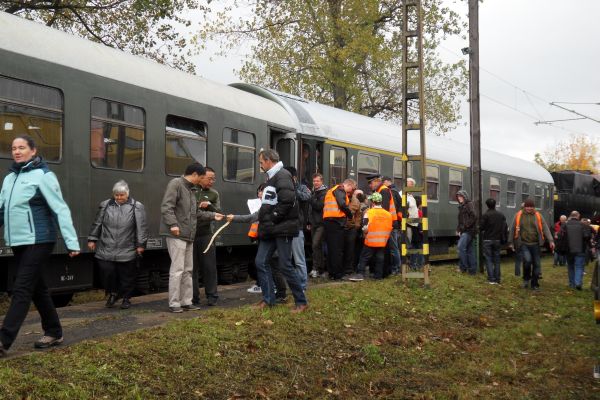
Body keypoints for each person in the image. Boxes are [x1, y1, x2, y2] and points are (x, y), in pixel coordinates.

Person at [0, 136, 80, 357]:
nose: (17, 151)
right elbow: (1, 210)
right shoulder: (9, 179)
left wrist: (71, 241)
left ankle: (3, 340)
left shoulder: (44, 175)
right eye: (13, 148)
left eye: (22, 148)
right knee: (37, 289)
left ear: (33, 151)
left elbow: (60, 209)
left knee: (22, 287)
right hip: (18, 241)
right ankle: (54, 331)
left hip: (40, 239)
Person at [160, 162, 224, 313]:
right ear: (194, 175)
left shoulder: (191, 189)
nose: (201, 181)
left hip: (189, 235)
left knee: (188, 269)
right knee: (177, 269)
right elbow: (166, 206)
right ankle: (174, 302)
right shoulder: (175, 184)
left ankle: (186, 301)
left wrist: (214, 215)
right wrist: (173, 224)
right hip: (176, 234)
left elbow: (196, 213)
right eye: (201, 177)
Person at [254, 149, 308, 313]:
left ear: (269, 160)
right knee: (261, 262)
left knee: (285, 265)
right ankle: (269, 299)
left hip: (282, 228)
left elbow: (287, 201)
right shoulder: (273, 175)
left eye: (262, 162)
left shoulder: (282, 175)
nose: (260, 165)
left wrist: (272, 218)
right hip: (272, 228)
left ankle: (301, 301)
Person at [88, 180, 148, 309]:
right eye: (117, 195)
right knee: (107, 272)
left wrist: (141, 244)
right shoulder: (105, 205)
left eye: (122, 195)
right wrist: (92, 239)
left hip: (127, 247)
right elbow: (97, 222)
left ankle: (126, 298)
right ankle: (113, 293)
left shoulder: (136, 206)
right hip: (106, 246)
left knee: (126, 275)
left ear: (127, 194)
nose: (119, 198)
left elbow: (141, 227)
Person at [509, 198, 554, 290]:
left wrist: (551, 240)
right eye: (527, 206)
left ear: (534, 207)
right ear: (524, 207)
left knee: (537, 264)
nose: (529, 208)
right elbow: (512, 228)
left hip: (536, 244)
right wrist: (511, 242)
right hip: (524, 243)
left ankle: (535, 284)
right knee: (528, 261)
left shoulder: (538, 215)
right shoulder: (518, 215)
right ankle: (526, 279)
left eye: (531, 206)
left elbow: (545, 227)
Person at [192, 166, 222, 307]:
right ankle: (193, 297)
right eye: (209, 178)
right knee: (192, 268)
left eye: (213, 179)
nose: (212, 181)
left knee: (209, 267)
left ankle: (212, 296)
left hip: (206, 234)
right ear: (201, 177)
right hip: (190, 234)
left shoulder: (214, 194)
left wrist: (209, 205)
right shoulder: (190, 190)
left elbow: (219, 212)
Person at [349, 192, 393, 281]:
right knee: (380, 258)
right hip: (382, 242)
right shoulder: (388, 214)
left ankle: (360, 274)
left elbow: (365, 227)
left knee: (364, 257)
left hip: (370, 241)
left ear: (372, 202)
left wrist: (365, 233)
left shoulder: (369, 212)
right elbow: (390, 228)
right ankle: (378, 276)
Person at [284, 166, 311, 290]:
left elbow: (306, 197)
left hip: (297, 228)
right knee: (286, 260)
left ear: (293, 178)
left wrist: (293, 187)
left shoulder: (302, 188)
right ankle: (289, 285)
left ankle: (302, 286)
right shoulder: (282, 188)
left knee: (299, 260)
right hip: (284, 228)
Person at [367, 175, 400, 277]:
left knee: (393, 248)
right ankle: (392, 269)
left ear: (376, 181)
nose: (369, 186)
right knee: (391, 248)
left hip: (389, 225)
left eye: (370, 183)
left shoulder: (383, 191)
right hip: (388, 224)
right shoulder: (380, 190)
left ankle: (396, 268)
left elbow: (383, 209)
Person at [323, 178, 356, 280]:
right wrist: (350, 215)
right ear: (349, 185)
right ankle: (337, 274)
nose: (351, 192)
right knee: (337, 249)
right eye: (352, 189)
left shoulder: (332, 190)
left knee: (332, 249)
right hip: (336, 223)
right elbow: (342, 204)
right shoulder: (340, 189)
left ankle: (332, 272)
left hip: (329, 222)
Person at [560, 211, 592, 290]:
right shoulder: (583, 225)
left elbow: (560, 236)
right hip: (580, 249)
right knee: (579, 267)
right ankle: (578, 283)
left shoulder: (565, 225)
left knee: (570, 267)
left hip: (569, 250)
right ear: (578, 216)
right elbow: (587, 236)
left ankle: (572, 284)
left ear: (570, 216)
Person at [479, 198, 507, 284]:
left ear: (487, 205)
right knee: (497, 260)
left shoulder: (485, 215)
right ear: (495, 205)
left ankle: (491, 279)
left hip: (487, 240)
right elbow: (504, 226)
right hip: (497, 240)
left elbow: (481, 227)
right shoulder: (501, 215)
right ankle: (497, 279)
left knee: (488, 259)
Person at [383, 176, 404, 274]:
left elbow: (399, 207)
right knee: (393, 247)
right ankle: (395, 267)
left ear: (387, 182)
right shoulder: (394, 192)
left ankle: (396, 268)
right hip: (394, 223)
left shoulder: (392, 192)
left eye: (383, 182)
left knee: (393, 247)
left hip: (392, 223)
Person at [308, 173, 327, 278]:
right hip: (314, 223)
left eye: (317, 181)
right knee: (316, 247)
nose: (315, 183)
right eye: (314, 181)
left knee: (316, 245)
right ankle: (319, 269)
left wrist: (310, 198)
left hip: (321, 224)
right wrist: (308, 222)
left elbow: (318, 206)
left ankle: (317, 268)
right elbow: (310, 209)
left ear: (321, 182)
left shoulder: (324, 193)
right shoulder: (314, 192)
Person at [456, 190, 477, 275]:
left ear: (465, 197)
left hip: (468, 231)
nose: (459, 198)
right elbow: (461, 220)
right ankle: (472, 270)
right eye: (458, 196)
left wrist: (466, 226)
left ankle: (463, 268)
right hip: (467, 231)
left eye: (461, 196)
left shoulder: (469, 205)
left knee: (461, 247)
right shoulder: (463, 206)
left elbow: (474, 216)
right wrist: (458, 229)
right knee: (469, 250)